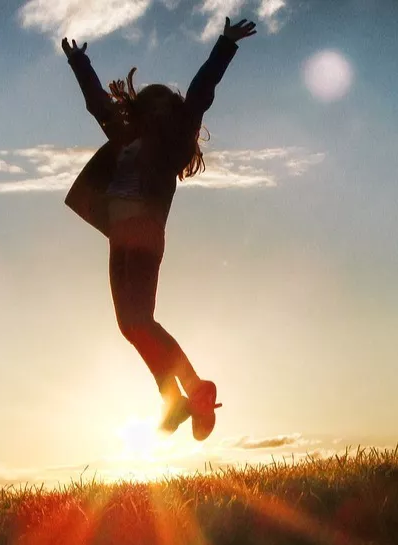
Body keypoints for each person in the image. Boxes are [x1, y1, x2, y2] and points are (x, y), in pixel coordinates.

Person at [61, 17, 257, 441]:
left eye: (162, 103)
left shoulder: (172, 138)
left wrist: (225, 44)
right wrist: (79, 62)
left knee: (140, 319)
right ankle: (184, 395)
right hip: (120, 234)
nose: (156, 107)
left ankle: (184, 392)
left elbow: (201, 94)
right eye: (151, 102)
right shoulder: (124, 133)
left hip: (144, 231)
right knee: (131, 324)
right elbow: (99, 105)